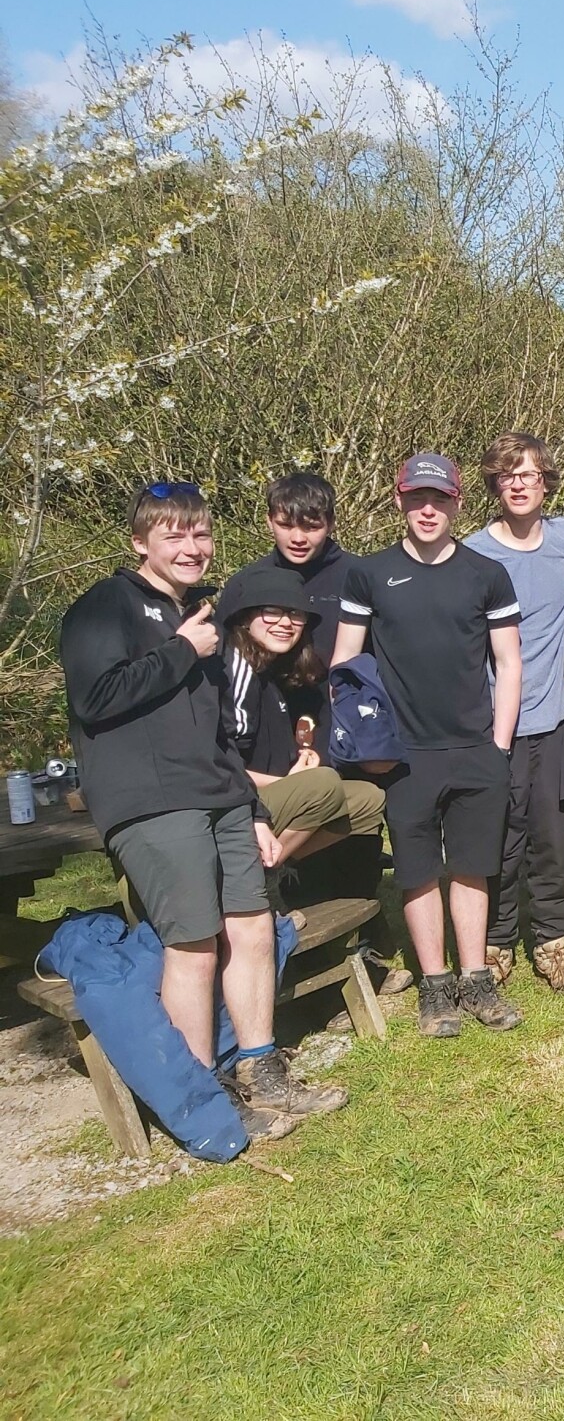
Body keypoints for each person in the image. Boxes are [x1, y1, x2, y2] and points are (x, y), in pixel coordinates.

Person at [61, 483, 345, 1137]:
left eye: (201, 534)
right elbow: (94, 698)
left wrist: (254, 808)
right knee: (192, 944)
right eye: (174, 535)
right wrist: (183, 650)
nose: (192, 548)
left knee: (253, 926)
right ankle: (208, 1096)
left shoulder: (203, 619)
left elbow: (218, 735)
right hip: (153, 802)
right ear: (140, 542)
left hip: (220, 797)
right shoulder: (105, 606)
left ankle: (261, 1070)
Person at [335, 454, 525, 1038]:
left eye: (439, 499)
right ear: (399, 500)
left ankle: (476, 979)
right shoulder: (368, 574)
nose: (427, 509)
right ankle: (435, 987)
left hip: (475, 748)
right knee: (417, 871)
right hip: (403, 754)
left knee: (471, 867)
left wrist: (498, 744)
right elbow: (345, 665)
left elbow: (509, 662)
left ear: (457, 504)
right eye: (417, 498)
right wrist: (364, 744)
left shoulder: (486, 573)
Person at [462, 433, 564, 996]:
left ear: (546, 482)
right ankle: (495, 944)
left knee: (552, 836)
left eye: (528, 474)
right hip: (492, 724)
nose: (518, 484)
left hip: (553, 719)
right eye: (507, 475)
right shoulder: (472, 554)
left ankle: (553, 944)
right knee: (498, 836)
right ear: (494, 485)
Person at [218, 563, 386, 872]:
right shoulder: (234, 669)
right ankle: (242, 877)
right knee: (323, 783)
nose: (285, 623)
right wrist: (293, 782)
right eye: (271, 611)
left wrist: (300, 762)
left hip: (267, 796)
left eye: (295, 614)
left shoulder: (272, 674)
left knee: (367, 798)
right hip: (231, 802)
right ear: (244, 617)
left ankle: (270, 869)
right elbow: (217, 765)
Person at [256, 472, 349, 670]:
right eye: (285, 525)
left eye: (311, 527)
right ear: (269, 521)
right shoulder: (247, 583)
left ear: (331, 524)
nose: (298, 538)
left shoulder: (360, 578)